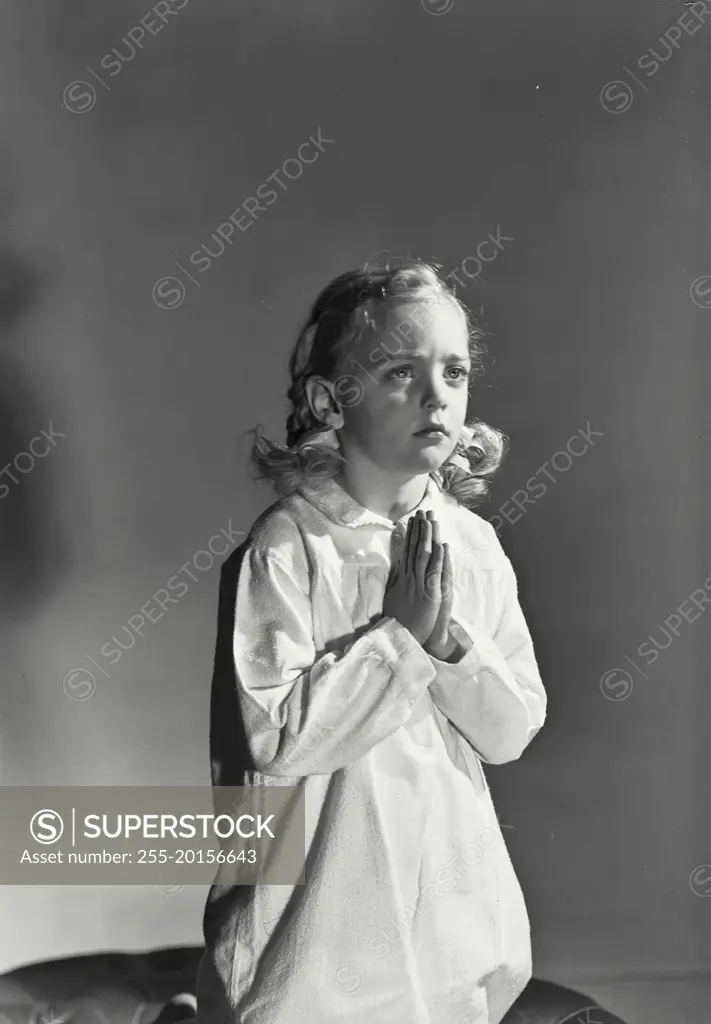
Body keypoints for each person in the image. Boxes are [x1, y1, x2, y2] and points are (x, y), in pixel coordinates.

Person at [194, 258, 547, 1024]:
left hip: (453, 942)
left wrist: (444, 638)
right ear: (331, 400)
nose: (435, 395)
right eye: (398, 370)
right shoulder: (287, 547)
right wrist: (398, 639)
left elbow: (512, 728)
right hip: (312, 950)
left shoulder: (475, 546)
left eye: (452, 371)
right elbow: (276, 739)